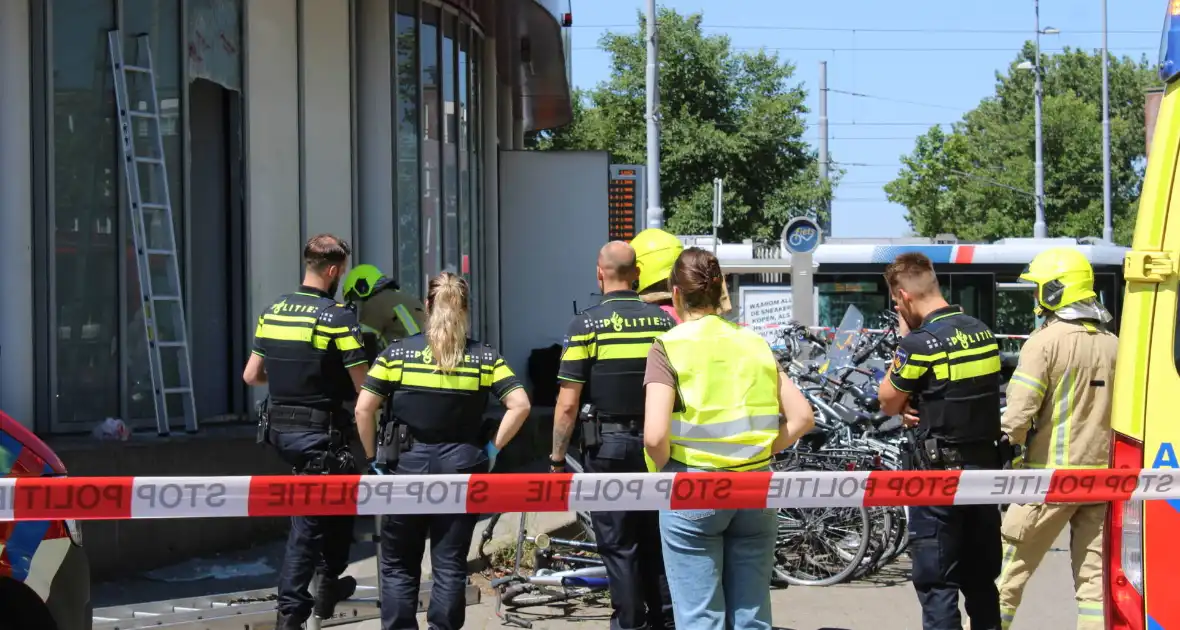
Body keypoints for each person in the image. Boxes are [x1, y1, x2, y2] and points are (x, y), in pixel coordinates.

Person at [643, 247, 815, 630]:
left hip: (692, 488)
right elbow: (803, 417)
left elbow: (655, 435)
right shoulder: (754, 342)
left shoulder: (668, 346)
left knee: (700, 616)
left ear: (675, 293)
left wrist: (660, 466)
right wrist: (758, 451)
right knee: (752, 615)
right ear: (720, 288)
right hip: (756, 486)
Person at [353, 272, 532, 630]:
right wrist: (492, 449)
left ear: (429, 306)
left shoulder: (398, 354)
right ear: (465, 308)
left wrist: (373, 458)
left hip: (406, 468)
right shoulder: (483, 357)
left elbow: (363, 408)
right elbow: (521, 404)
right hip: (462, 467)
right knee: (449, 563)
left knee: (399, 563)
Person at [242, 234, 368, 630]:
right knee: (310, 524)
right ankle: (293, 613)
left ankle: (329, 583)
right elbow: (364, 387)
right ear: (333, 270)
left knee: (337, 498)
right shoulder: (338, 316)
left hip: (279, 430)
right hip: (318, 435)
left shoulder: (274, 310)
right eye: (341, 272)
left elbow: (252, 375)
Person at [549, 241, 677, 630]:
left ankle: (630, 622)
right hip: (659, 444)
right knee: (657, 538)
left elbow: (568, 403)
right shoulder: (664, 322)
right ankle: (667, 621)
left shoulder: (585, 324)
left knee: (618, 543)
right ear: (636, 274)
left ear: (599, 272)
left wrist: (556, 459)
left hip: (606, 445)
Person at [875, 252, 1004, 630]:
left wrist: (905, 336)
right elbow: (954, 393)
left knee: (938, 583)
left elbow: (887, 400)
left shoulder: (920, 343)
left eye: (897, 302)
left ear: (904, 296)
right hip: (984, 474)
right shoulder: (981, 331)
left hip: (937, 478)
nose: (898, 307)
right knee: (981, 581)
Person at [995, 247, 1118, 630]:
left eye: (1037, 289)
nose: (1034, 298)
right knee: (1094, 586)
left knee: (1007, 574)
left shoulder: (1044, 342)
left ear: (1054, 290)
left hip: (1049, 480)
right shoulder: (1114, 343)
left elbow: (1018, 412)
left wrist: (1004, 444)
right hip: (1102, 480)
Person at [342, 264, 427, 363]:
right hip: (427, 363)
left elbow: (363, 344)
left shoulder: (373, 304)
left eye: (353, 298)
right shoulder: (410, 300)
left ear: (362, 288)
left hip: (401, 366)